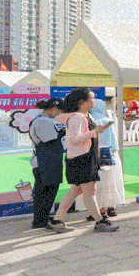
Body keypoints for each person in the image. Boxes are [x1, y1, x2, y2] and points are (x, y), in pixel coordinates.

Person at [50, 88, 118, 233]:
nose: (95, 100)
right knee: (90, 191)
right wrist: (95, 132)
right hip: (82, 160)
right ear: (82, 102)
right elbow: (73, 139)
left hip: (84, 158)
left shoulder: (86, 116)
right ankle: (100, 221)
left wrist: (96, 132)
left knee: (75, 191)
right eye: (92, 98)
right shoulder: (77, 118)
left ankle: (57, 220)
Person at [29, 98, 65, 231]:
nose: (60, 113)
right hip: (45, 162)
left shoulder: (43, 120)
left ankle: (42, 218)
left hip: (48, 160)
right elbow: (49, 140)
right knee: (45, 191)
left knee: (47, 190)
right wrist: (64, 132)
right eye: (60, 111)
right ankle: (40, 220)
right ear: (54, 109)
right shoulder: (43, 121)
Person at [92, 90, 124, 219]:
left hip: (95, 155)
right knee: (111, 181)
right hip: (110, 154)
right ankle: (112, 208)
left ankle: (101, 211)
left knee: (99, 184)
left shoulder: (90, 120)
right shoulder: (107, 119)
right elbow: (114, 140)